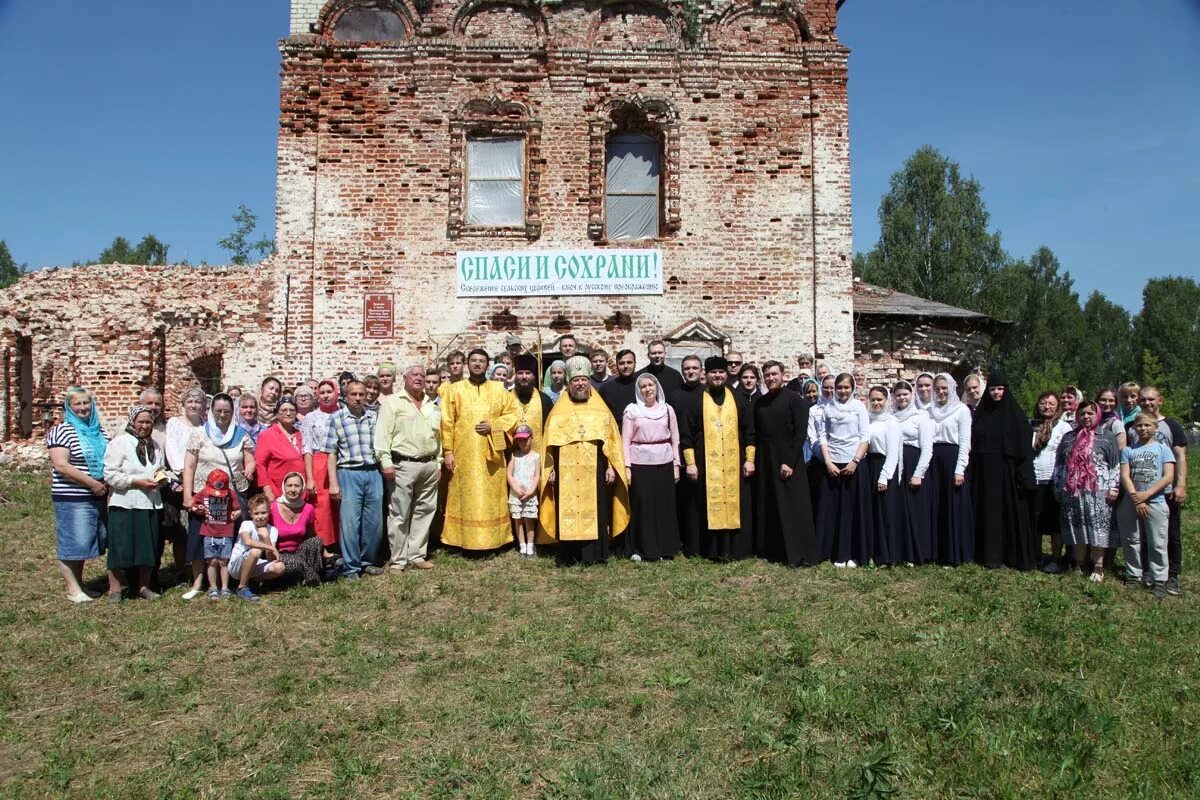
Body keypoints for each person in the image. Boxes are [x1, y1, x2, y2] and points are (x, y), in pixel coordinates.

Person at [539, 357, 631, 565]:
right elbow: (549, 443)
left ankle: (595, 554)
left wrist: (610, 466)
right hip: (565, 471)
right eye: (575, 381)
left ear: (589, 382)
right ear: (569, 384)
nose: (580, 384)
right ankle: (568, 556)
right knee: (566, 509)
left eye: (583, 380)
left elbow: (611, 441)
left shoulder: (600, 410)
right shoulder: (558, 412)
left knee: (597, 509)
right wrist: (550, 468)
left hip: (595, 469)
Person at [441, 349, 519, 552]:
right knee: (463, 496)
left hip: (490, 456)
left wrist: (494, 424)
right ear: (467, 364)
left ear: (487, 365)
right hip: (463, 454)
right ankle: (459, 540)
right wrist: (448, 451)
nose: (477, 364)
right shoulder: (454, 389)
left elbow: (513, 414)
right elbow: (447, 422)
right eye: (473, 360)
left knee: (492, 496)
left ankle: (497, 539)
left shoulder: (498, 389)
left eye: (482, 361)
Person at [679, 357, 755, 561]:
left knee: (735, 501)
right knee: (704, 504)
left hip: (734, 463)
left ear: (726, 374)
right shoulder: (696, 400)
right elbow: (686, 434)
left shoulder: (737, 398)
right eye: (714, 372)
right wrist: (691, 463)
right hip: (705, 464)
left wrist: (750, 459)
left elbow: (749, 431)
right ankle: (709, 550)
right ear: (707, 374)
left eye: (721, 372)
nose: (718, 376)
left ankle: (735, 549)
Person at [182, 393, 255, 599]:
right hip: (204, 496)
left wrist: (249, 468)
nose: (222, 415)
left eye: (227, 412)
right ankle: (198, 581)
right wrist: (188, 495)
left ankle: (230, 580)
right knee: (200, 537)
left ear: (232, 413)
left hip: (231, 497)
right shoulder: (199, 434)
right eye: (218, 411)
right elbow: (188, 466)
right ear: (211, 412)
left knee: (230, 537)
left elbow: (250, 460)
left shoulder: (241, 434)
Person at [375, 364, 442, 572]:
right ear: (404, 378)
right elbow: (382, 435)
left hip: (429, 464)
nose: (419, 378)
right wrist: (385, 462)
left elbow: (438, 436)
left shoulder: (433, 404)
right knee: (399, 513)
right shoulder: (393, 403)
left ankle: (417, 554)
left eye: (422, 375)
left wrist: (438, 462)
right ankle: (398, 559)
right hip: (402, 464)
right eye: (415, 375)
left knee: (425, 510)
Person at [48, 388, 109, 603]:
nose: (83, 408)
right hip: (73, 496)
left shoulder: (99, 431)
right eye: (78, 404)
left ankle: (80, 584)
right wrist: (92, 483)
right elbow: (61, 465)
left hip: (98, 495)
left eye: (86, 403)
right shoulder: (62, 431)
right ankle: (73, 589)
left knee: (86, 542)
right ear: (69, 407)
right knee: (73, 542)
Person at [752, 362, 816, 567]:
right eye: (767, 375)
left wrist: (788, 462)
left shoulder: (795, 401)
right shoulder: (760, 403)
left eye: (774, 374)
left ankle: (798, 553)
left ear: (783, 375)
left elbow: (800, 434)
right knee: (772, 504)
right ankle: (775, 550)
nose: (771, 378)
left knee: (792, 507)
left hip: (789, 460)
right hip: (766, 460)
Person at [971, 372, 1036, 570]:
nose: (996, 393)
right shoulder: (982, 415)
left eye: (999, 389)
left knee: (1008, 515)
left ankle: (1010, 556)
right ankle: (989, 556)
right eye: (992, 389)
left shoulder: (1015, 416)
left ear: (1005, 390)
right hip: (985, 474)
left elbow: (1024, 447)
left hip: (1008, 475)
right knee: (988, 514)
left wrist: (1023, 475)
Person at [102, 406, 164, 602]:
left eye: (148, 422)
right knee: (120, 546)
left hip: (149, 502)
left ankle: (143, 587)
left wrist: (161, 479)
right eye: (141, 422)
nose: (144, 426)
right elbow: (110, 474)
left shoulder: (154, 446)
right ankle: (115, 588)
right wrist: (136, 482)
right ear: (132, 422)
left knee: (147, 546)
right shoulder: (119, 443)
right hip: (125, 502)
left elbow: (159, 467)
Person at [1053, 400, 1120, 582]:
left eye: (1090, 413)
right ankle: (1079, 563)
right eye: (1082, 413)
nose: (1086, 417)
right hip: (1073, 491)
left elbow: (1114, 465)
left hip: (1099, 492)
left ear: (1096, 415)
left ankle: (1098, 567)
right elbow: (1059, 464)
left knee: (1099, 528)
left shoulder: (1106, 437)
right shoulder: (1069, 437)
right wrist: (1058, 486)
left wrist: (1114, 488)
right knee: (1077, 527)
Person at [1130, 386, 1188, 595]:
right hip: (1140, 490)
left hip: (1167, 489)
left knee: (1171, 533)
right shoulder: (1133, 426)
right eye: (1143, 400)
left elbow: (1180, 456)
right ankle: (1147, 570)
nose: (1147, 403)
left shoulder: (1172, 426)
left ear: (1160, 401)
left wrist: (1180, 484)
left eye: (1151, 399)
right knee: (1144, 533)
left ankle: (1172, 575)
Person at [324, 380, 384, 579]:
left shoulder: (373, 417)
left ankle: (367, 561)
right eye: (353, 395)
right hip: (348, 473)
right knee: (350, 522)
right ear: (346, 396)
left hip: (373, 472)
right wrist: (333, 483)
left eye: (361, 394)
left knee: (374, 523)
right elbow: (331, 452)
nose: (358, 398)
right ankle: (351, 567)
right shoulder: (337, 418)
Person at [622, 374, 681, 561]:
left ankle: (665, 548)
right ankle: (641, 549)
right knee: (643, 506)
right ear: (638, 390)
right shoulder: (632, 411)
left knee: (665, 505)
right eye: (643, 386)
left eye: (650, 385)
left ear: (657, 387)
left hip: (664, 461)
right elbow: (625, 440)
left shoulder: (667, 409)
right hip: (640, 462)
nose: (647, 389)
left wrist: (676, 464)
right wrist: (627, 466)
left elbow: (676, 438)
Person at [1118, 413, 1176, 598]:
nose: (1143, 429)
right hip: (1131, 500)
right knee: (1131, 539)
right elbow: (1125, 475)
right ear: (1134, 428)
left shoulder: (1163, 449)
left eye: (1147, 425)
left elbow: (1168, 476)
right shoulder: (1128, 451)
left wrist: (1147, 495)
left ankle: (1159, 579)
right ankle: (1134, 574)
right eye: (1139, 426)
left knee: (1157, 541)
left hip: (1156, 501)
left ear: (1155, 427)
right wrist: (1135, 496)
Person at [816, 373, 870, 567]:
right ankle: (836, 553)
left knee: (853, 511)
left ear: (853, 388)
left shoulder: (859, 407)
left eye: (846, 387)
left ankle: (854, 554)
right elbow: (823, 437)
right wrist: (828, 463)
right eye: (839, 387)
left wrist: (855, 461)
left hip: (853, 465)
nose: (843, 391)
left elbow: (865, 437)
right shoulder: (827, 408)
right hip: (833, 466)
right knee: (834, 511)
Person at [928, 373, 973, 565]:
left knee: (952, 506)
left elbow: (965, 442)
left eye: (944, 388)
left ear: (952, 388)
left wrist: (959, 469)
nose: (940, 392)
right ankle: (937, 552)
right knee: (936, 505)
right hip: (933, 460)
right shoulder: (929, 410)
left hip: (952, 459)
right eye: (937, 389)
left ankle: (954, 553)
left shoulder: (961, 410)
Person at [891, 380, 934, 565]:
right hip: (897, 464)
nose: (902, 398)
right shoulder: (891, 417)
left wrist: (919, 473)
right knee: (899, 509)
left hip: (914, 463)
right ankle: (903, 552)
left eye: (905, 394)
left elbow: (927, 448)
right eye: (898, 395)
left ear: (912, 395)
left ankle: (919, 553)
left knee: (916, 510)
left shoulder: (921, 416)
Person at [1029, 391, 1071, 573]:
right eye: (1043, 403)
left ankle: (1055, 558)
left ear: (1058, 406)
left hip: (1055, 480)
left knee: (1055, 523)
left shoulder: (1064, 428)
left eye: (1051, 404)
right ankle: (1036, 555)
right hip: (1034, 478)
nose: (1047, 407)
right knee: (1035, 520)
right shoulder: (1031, 425)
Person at [300, 379, 340, 552]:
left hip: (342, 462)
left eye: (329, 392)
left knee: (342, 507)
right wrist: (310, 478)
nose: (325, 395)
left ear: (336, 393)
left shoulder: (344, 413)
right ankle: (324, 548)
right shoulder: (311, 417)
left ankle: (342, 545)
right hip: (319, 464)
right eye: (322, 392)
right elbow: (307, 448)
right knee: (323, 509)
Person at [865, 386, 902, 567]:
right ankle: (872, 552)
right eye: (873, 400)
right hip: (869, 466)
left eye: (880, 399)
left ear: (886, 401)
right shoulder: (867, 419)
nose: (876, 403)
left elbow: (893, 453)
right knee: (871, 511)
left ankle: (887, 556)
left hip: (883, 467)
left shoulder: (891, 422)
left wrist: (884, 476)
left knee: (884, 512)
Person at [190, 468, 241, 599]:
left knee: (224, 561)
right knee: (211, 561)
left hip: (226, 532)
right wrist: (198, 509)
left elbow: (238, 508)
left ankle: (225, 587)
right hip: (209, 531)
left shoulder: (231, 493)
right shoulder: (204, 493)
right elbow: (192, 504)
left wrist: (236, 513)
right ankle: (213, 587)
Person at [270, 472, 326, 586]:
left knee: (316, 541)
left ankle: (305, 576)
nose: (293, 489)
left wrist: (325, 552)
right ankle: (312, 577)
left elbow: (311, 536)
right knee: (295, 563)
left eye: (297, 486)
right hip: (280, 555)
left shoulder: (308, 508)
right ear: (283, 487)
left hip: (299, 552)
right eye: (289, 485)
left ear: (302, 488)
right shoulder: (273, 507)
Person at [230, 494, 285, 601]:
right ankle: (242, 587)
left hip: (254, 564)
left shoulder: (272, 530)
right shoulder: (246, 524)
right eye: (256, 513)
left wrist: (266, 537)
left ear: (269, 512)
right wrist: (272, 548)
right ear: (250, 514)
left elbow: (270, 559)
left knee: (279, 567)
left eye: (263, 513)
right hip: (237, 565)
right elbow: (248, 541)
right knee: (256, 551)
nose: (260, 517)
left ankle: (251, 582)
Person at [255, 396, 305, 503]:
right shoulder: (267, 435)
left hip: (299, 492)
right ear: (277, 413)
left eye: (292, 410)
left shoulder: (300, 434)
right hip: (277, 491)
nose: (288, 413)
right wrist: (267, 489)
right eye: (284, 410)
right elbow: (260, 465)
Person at [508, 425, 542, 558]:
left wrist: (531, 491)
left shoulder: (536, 457)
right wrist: (516, 489)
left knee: (529, 520)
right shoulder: (514, 455)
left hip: (529, 493)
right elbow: (509, 474)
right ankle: (522, 546)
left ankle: (530, 546)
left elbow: (536, 475)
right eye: (519, 440)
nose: (522, 443)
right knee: (518, 520)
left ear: (531, 438)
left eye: (525, 439)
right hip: (516, 494)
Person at [599, 349, 639, 428]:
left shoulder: (643, 386)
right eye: (621, 363)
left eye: (629, 362)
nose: (626, 366)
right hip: (616, 435)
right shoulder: (606, 389)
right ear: (616, 365)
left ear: (635, 364)